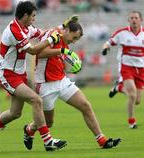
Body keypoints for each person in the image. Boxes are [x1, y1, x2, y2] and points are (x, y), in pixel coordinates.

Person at [0, 1, 79, 151]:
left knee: (15, 113)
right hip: (8, 74)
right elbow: (33, 51)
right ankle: (48, 141)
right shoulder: (14, 30)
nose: (34, 18)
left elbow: (42, 33)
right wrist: (52, 40)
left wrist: (61, 26)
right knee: (36, 100)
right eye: (33, 16)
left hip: (19, 74)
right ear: (25, 15)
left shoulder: (26, 27)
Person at [23, 20, 121, 151]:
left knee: (85, 105)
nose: (74, 41)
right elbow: (39, 53)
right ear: (67, 30)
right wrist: (63, 51)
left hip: (62, 81)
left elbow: (60, 58)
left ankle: (102, 140)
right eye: (74, 37)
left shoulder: (65, 41)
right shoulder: (53, 35)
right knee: (49, 122)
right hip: (45, 84)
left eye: (77, 39)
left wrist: (74, 66)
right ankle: (30, 129)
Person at [102, 11, 144, 129]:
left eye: (136, 18)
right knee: (132, 95)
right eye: (131, 18)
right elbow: (108, 43)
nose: (134, 20)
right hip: (126, 67)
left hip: (141, 69)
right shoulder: (122, 33)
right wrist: (105, 49)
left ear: (141, 20)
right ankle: (131, 121)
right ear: (128, 20)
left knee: (137, 100)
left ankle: (118, 87)